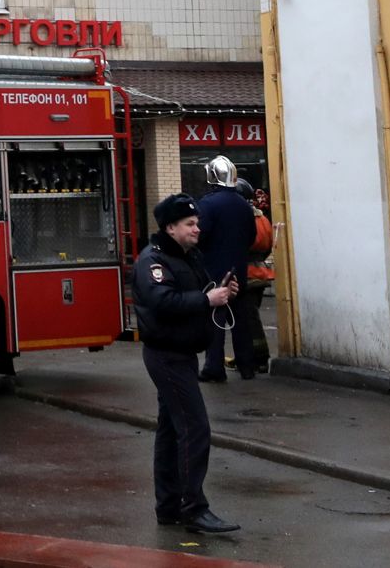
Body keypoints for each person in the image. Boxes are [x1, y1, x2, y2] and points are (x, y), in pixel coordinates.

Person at [134, 193, 240, 535]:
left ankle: (168, 506)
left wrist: (221, 293)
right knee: (195, 429)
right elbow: (162, 301)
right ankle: (194, 507)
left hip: (181, 353)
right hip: (166, 356)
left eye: (197, 223)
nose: (197, 228)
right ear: (171, 227)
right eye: (190, 224)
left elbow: (198, 292)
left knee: (170, 432)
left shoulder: (187, 256)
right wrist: (207, 299)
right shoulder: (153, 261)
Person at [193, 156, 256, 382]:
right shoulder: (244, 205)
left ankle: (214, 368)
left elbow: (199, 236)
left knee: (215, 319)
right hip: (238, 269)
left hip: (212, 270)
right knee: (241, 320)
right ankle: (247, 366)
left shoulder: (207, 204)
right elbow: (252, 237)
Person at [233, 180, 274, 377]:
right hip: (260, 272)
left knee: (249, 320)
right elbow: (267, 247)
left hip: (246, 274)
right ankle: (251, 356)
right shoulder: (262, 218)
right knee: (251, 316)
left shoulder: (242, 218)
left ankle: (259, 358)